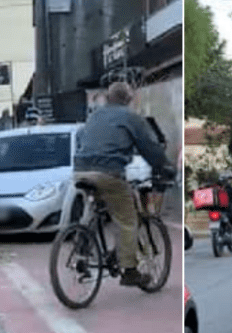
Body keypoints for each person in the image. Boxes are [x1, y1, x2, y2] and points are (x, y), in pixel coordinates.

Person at [73, 82, 172, 287]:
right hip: (108, 173)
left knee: (92, 209)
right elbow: (149, 147)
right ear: (128, 99)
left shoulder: (94, 116)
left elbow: (83, 139)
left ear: (108, 98)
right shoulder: (131, 117)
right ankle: (130, 270)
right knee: (127, 220)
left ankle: (81, 251)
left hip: (80, 170)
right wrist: (164, 168)